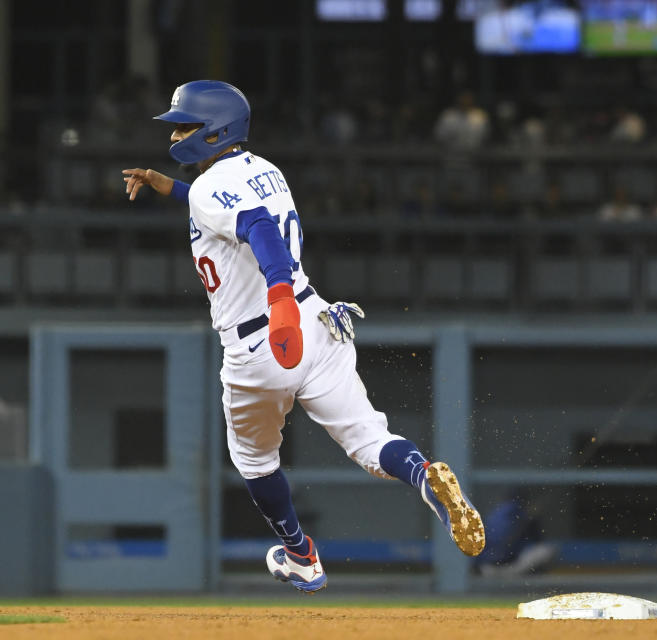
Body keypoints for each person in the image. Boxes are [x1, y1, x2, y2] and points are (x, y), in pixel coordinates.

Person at [122, 80, 485, 593]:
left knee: (254, 460)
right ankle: (424, 476)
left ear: (213, 130)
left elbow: (255, 228)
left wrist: (279, 303)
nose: (176, 131)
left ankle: (301, 555)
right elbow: (229, 211)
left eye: (185, 124)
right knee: (369, 439)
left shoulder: (209, 189)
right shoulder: (264, 169)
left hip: (265, 341)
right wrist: (171, 188)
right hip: (320, 322)